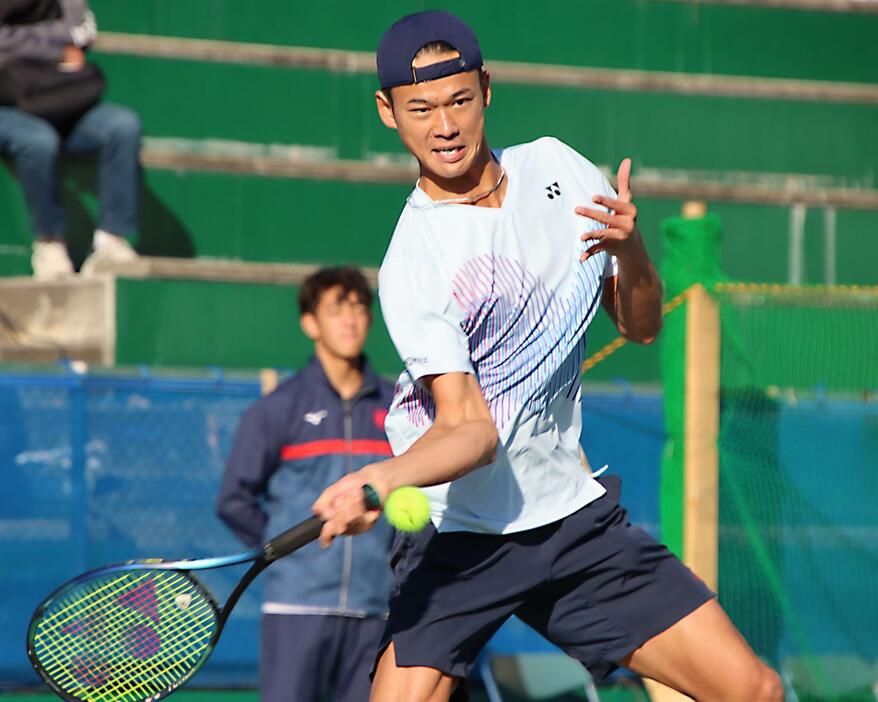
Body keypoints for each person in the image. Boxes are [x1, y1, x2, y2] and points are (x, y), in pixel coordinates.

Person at [311, 11, 784, 702]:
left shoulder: (560, 168)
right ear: (388, 113)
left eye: (458, 101)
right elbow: (471, 431)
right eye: (420, 109)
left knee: (754, 691)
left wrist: (632, 249)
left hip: (568, 516)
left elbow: (642, 324)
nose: (443, 125)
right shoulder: (414, 261)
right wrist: (381, 481)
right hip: (459, 532)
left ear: (486, 91)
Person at [216, 266, 396, 702]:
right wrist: (285, 553)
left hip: (378, 610)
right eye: (337, 308)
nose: (350, 319)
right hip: (296, 611)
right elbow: (233, 500)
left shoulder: (399, 407)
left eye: (358, 307)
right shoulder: (278, 409)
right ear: (309, 323)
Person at [0, 0, 141, 280]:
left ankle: (112, 241)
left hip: (60, 98)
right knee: (39, 141)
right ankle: (49, 241)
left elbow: (83, 31)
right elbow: (67, 40)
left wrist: (18, 45)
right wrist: (55, 50)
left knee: (122, 126)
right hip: (8, 106)